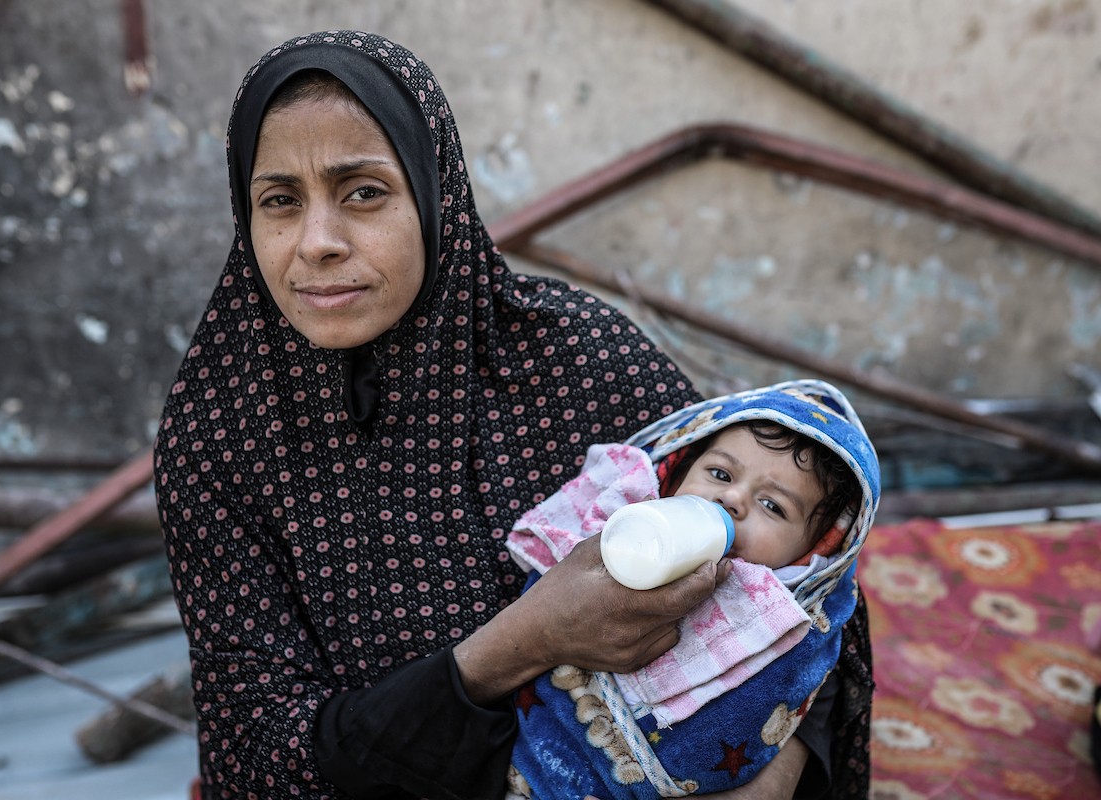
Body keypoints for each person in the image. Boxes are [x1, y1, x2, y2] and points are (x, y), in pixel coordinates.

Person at [153, 30, 873, 800]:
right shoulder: (217, 439)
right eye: (279, 201)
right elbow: (263, 756)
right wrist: (528, 640)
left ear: (437, 193)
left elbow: (814, 587)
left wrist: (769, 778)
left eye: (363, 191)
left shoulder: (581, 362)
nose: (318, 242)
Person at [504, 379, 880, 797]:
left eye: (773, 505)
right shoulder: (622, 519)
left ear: (812, 554)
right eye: (719, 473)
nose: (732, 498)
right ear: (679, 471)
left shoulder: (786, 624)